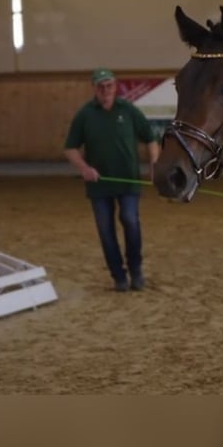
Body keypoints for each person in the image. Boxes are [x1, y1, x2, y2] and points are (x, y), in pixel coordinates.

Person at [64, 68, 160, 292]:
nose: (105, 90)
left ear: (115, 87)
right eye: (100, 86)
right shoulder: (85, 114)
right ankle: (118, 275)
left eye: (109, 85)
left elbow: (150, 138)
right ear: (94, 88)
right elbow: (70, 149)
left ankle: (136, 270)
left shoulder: (128, 110)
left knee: (130, 220)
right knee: (105, 231)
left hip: (129, 182)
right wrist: (84, 168)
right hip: (99, 186)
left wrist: (154, 164)